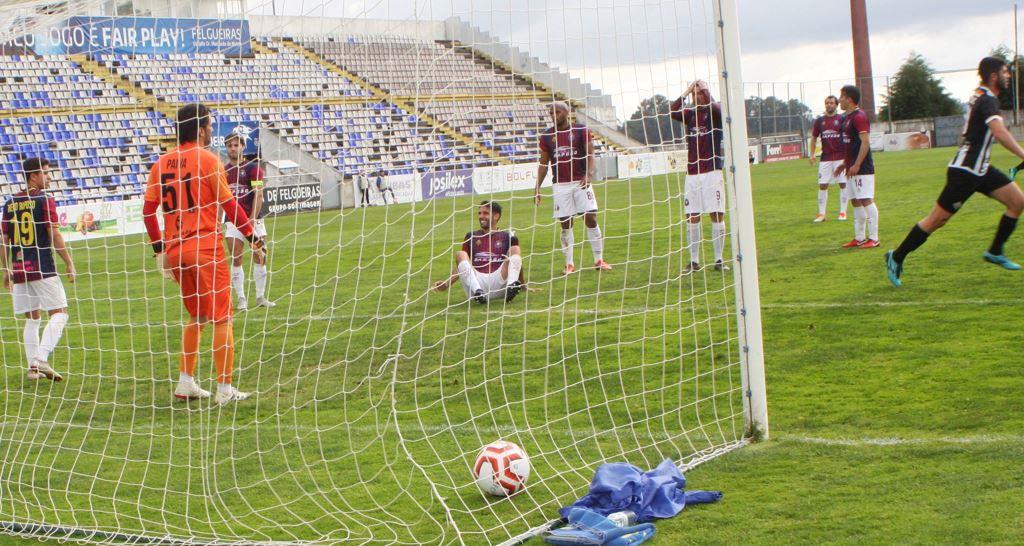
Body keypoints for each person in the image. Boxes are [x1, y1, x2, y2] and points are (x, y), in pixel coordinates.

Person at [143, 103, 261, 404]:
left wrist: (160, 251)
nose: (211, 131)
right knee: (223, 317)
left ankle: (186, 382)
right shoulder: (208, 161)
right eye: (209, 126)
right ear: (200, 129)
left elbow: (147, 212)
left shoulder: (161, 163)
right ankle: (224, 389)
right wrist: (254, 238)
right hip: (204, 246)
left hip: (174, 250)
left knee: (197, 315)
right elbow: (230, 205)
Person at [886, 57, 1024, 286]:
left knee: (1018, 202)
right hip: (965, 172)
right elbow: (999, 133)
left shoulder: (982, 97)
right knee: (936, 220)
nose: (1008, 75)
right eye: (1005, 72)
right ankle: (896, 256)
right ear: (993, 76)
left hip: (981, 169)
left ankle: (995, 251)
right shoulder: (987, 100)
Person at [1, 157, 75, 381]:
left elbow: (4, 240)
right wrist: (69, 262)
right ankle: (40, 359)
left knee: (32, 318)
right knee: (60, 313)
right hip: (42, 266)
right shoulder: (44, 200)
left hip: (20, 268)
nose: (49, 176)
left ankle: (32, 370)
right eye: (45, 172)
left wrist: (6, 269)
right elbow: (54, 234)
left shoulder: (10, 203)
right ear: (34, 176)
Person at [535, 101, 611, 274]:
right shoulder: (547, 136)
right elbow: (543, 164)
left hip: (580, 181)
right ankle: (569, 264)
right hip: (560, 185)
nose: (554, 116)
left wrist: (589, 175)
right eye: (551, 113)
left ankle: (598, 259)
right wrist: (537, 187)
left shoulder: (580, 130)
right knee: (565, 223)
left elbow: (591, 155)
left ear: (567, 112)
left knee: (591, 218)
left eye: (558, 112)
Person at [670, 80, 728, 272]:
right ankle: (694, 261)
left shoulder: (714, 113)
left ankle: (719, 260)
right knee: (691, 215)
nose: (696, 97)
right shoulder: (689, 115)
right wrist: (686, 91)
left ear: (706, 94)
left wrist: (704, 89)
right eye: (694, 95)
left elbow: (718, 109)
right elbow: (673, 110)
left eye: (699, 94)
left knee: (716, 213)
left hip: (712, 171)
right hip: (693, 173)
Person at [432, 201, 528, 303]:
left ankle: (511, 286)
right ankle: (479, 292)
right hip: (477, 283)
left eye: (485, 213)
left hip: (500, 283)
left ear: (496, 216)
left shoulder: (508, 236)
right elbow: (463, 266)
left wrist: (523, 285)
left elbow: (516, 264)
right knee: (460, 254)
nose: (481, 216)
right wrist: (446, 284)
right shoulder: (471, 236)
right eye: (480, 213)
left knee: (515, 249)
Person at [223, 131, 273, 310]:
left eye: (236, 145)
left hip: (254, 220)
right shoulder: (223, 171)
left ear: (243, 147)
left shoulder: (254, 169)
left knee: (261, 255)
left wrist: (251, 219)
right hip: (233, 221)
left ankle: (260, 297)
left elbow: (259, 195)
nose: (233, 148)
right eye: (230, 145)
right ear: (226, 148)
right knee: (236, 256)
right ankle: (241, 299)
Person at [835, 84, 880, 248]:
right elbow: (850, 145)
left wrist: (857, 164)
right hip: (850, 168)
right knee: (854, 200)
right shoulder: (846, 118)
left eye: (842, 97)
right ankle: (859, 237)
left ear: (849, 99)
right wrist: (844, 164)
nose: (840, 100)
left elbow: (865, 142)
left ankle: (874, 238)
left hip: (862, 168)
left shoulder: (859, 117)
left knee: (866, 199)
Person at [809, 95, 849, 222]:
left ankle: (843, 212)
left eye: (831, 103)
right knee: (822, 185)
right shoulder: (820, 121)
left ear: (836, 105)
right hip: (825, 158)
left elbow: (848, 137)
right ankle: (821, 214)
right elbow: (814, 138)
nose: (829, 105)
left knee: (843, 183)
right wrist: (812, 154)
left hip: (840, 156)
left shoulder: (842, 119)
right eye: (827, 103)